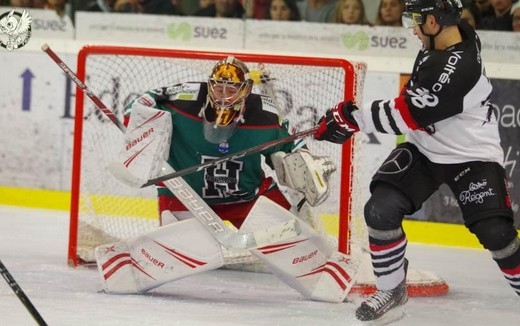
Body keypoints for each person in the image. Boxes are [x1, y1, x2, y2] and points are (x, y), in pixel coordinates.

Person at [315, 0, 520, 322]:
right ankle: (392, 290)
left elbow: (406, 115)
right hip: (425, 149)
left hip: (472, 157)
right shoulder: (449, 36)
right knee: (379, 211)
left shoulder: (457, 67)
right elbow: (412, 106)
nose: (411, 28)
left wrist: (350, 118)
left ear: (435, 21)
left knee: (496, 234)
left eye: (415, 19)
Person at [94, 56, 358, 303]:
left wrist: (303, 163)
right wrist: (140, 123)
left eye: (230, 89)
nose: (222, 95)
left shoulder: (265, 116)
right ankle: (125, 263)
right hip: (184, 195)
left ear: (245, 89)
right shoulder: (183, 100)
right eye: (217, 88)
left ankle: (327, 271)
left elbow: (293, 146)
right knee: (197, 247)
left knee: (291, 241)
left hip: (247, 196)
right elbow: (145, 101)